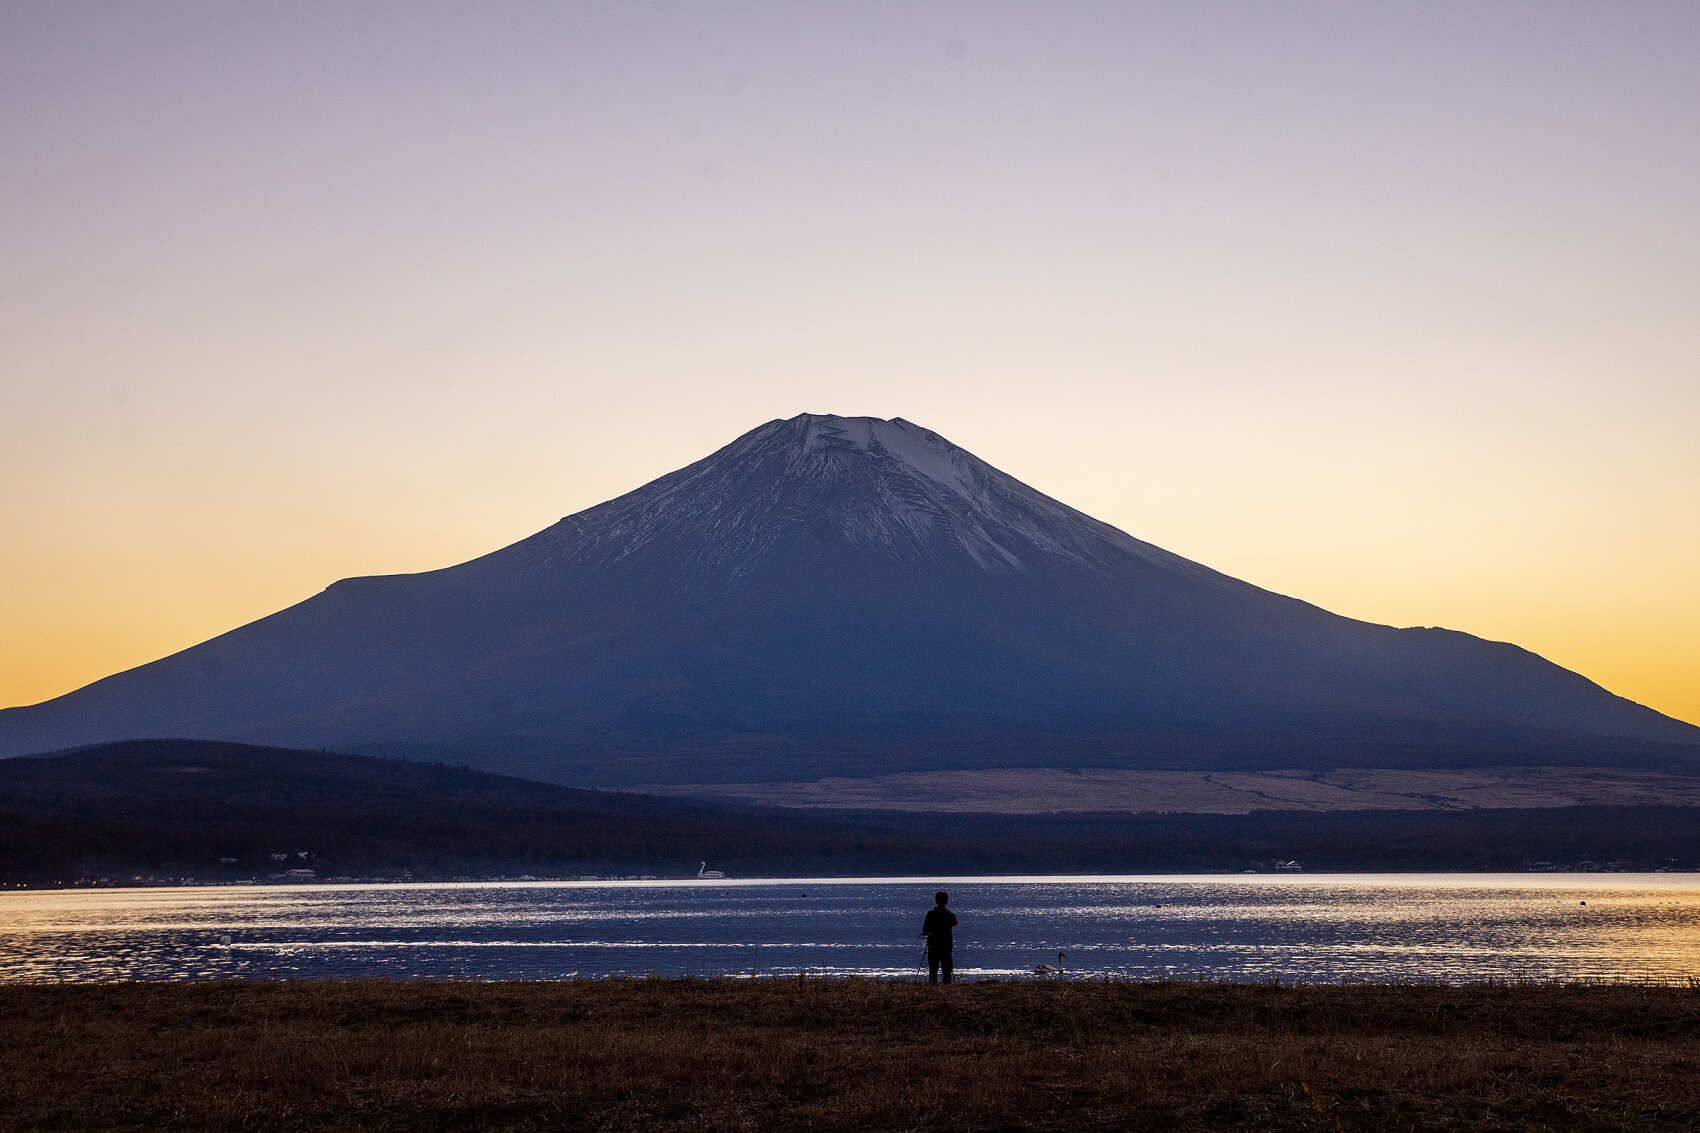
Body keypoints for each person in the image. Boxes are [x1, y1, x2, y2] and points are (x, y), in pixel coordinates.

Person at [920, 890, 958, 984]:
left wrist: (930, 932)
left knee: (933, 972)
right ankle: (946, 990)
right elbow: (954, 923)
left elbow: (924, 930)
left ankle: (933, 990)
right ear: (946, 901)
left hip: (934, 947)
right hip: (946, 947)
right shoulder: (950, 915)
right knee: (947, 972)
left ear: (936, 901)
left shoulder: (930, 914)